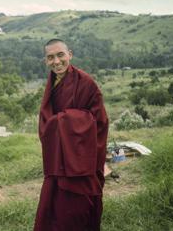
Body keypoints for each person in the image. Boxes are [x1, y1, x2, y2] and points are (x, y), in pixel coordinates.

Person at [34, 39, 109, 231]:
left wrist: (61, 122)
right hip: (59, 156)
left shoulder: (86, 83)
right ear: (45, 61)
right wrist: (55, 125)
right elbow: (46, 117)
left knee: (77, 212)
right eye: (50, 57)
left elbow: (99, 121)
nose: (56, 61)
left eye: (60, 55)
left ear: (70, 55)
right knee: (55, 208)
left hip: (81, 159)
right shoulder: (53, 82)